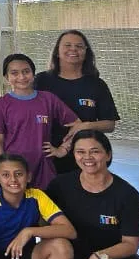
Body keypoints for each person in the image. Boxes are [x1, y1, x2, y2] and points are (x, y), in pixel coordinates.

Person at [46, 131, 139, 259]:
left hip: (107, 255)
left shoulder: (127, 195)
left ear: (108, 154)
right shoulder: (60, 185)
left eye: (95, 151)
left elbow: (131, 244)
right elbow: (45, 224)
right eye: (80, 152)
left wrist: (101, 256)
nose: (87, 158)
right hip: (70, 256)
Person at [0, 53, 81, 190]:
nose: (21, 77)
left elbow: (77, 124)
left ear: (33, 74)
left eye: (26, 72)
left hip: (44, 170)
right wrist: (1, 171)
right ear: (6, 78)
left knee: (45, 209)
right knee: (18, 210)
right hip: (14, 172)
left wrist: (63, 149)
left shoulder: (48, 99)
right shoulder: (0, 105)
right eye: (14, 73)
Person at [35, 30, 119, 175]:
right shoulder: (41, 81)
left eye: (79, 46)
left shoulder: (96, 85)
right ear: (57, 51)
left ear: (86, 52)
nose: (73, 49)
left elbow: (110, 124)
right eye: (67, 45)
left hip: (82, 161)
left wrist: (85, 126)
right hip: (45, 157)